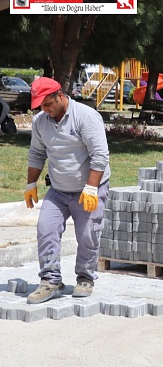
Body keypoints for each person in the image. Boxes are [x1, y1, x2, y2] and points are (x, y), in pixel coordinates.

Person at [24, 77, 111, 304]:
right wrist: (30, 184)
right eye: (41, 106)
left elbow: (100, 156)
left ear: (60, 95)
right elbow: (36, 153)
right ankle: (50, 281)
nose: (45, 110)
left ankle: (85, 278)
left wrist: (92, 188)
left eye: (47, 104)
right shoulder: (40, 122)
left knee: (87, 236)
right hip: (59, 190)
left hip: (88, 189)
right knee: (46, 229)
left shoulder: (86, 117)